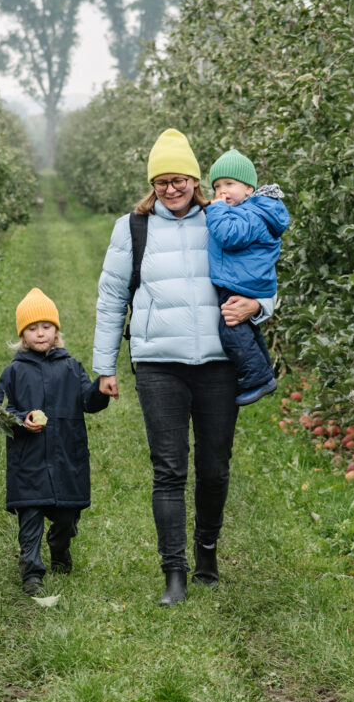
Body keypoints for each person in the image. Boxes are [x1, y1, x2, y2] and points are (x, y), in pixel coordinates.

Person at [93, 129, 275, 607]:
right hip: (158, 364)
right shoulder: (132, 228)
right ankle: (174, 571)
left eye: (179, 180)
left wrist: (259, 308)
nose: (170, 189)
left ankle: (207, 553)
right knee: (169, 469)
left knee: (214, 469)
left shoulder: (224, 219)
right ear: (152, 185)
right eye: (160, 182)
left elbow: (264, 278)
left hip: (218, 363)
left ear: (196, 180)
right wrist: (104, 364)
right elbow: (112, 297)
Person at [0, 287, 110, 596]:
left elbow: (88, 400)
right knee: (29, 520)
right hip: (28, 461)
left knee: (67, 518)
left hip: (65, 457)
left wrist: (100, 390)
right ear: (22, 335)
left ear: (56, 330)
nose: (40, 333)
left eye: (46, 327)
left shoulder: (72, 368)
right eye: (32, 328)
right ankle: (31, 573)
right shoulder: (14, 372)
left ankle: (59, 547)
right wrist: (20, 419)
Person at [206, 148, 290, 406]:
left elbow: (230, 236)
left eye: (229, 184)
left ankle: (257, 379)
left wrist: (216, 211)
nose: (222, 191)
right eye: (217, 186)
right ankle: (264, 370)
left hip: (242, 283)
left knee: (230, 330)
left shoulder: (250, 214)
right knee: (247, 330)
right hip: (247, 281)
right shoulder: (250, 211)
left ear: (249, 189)